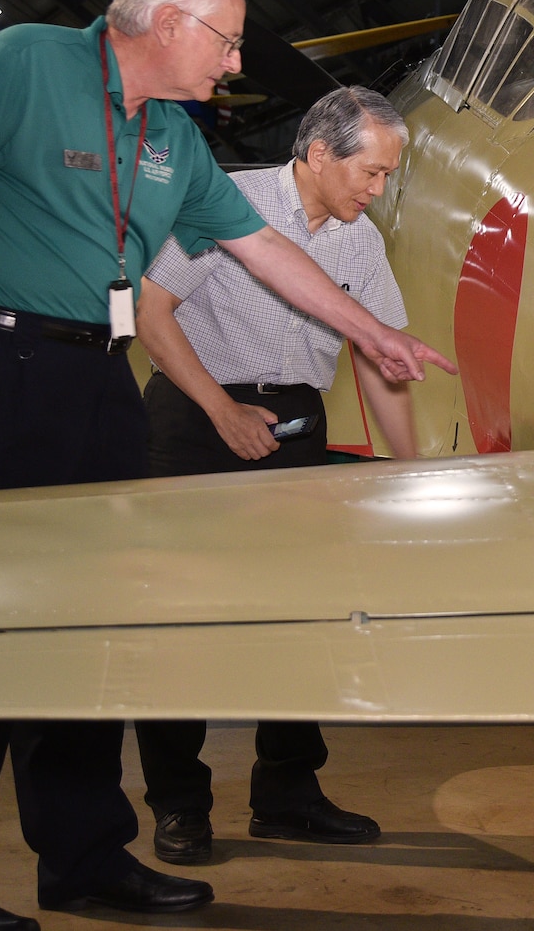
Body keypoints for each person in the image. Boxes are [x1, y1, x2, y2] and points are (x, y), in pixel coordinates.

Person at [0, 0, 455, 931]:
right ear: (170, 22)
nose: (234, 65)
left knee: (91, 630)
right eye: (228, 42)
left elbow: (265, 253)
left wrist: (376, 334)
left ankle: (85, 859)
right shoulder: (24, 64)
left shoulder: (173, 137)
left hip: (97, 378)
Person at [132, 86, 416, 865]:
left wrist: (412, 467)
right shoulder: (224, 204)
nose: (378, 189)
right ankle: (179, 803)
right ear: (319, 153)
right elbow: (153, 316)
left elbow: (380, 352)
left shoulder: (361, 243)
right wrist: (221, 409)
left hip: (294, 426)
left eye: (389, 176)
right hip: (194, 415)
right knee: (180, 621)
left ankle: (286, 793)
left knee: (300, 618)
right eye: (373, 171)